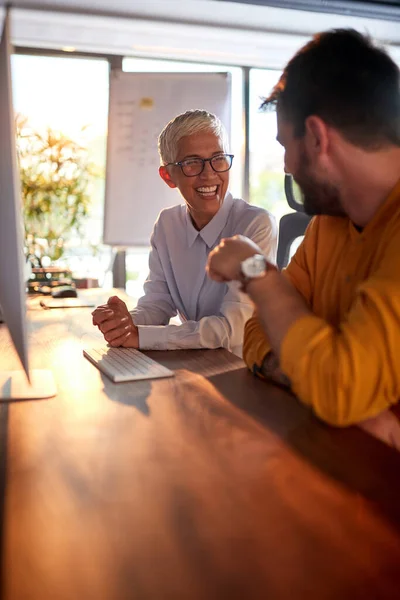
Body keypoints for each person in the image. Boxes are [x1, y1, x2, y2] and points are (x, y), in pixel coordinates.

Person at [207, 29, 400, 446]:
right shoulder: (325, 226)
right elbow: (256, 334)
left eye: (285, 144)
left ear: (317, 138)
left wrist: (256, 270)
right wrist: (306, 377)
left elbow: (338, 390)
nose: (288, 164)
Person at [92, 109, 276, 357]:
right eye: (192, 163)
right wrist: (125, 323)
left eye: (218, 158)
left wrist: (140, 336)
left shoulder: (256, 225)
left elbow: (235, 328)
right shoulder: (167, 224)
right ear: (168, 176)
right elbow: (158, 303)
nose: (209, 173)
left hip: (244, 369)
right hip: (196, 365)